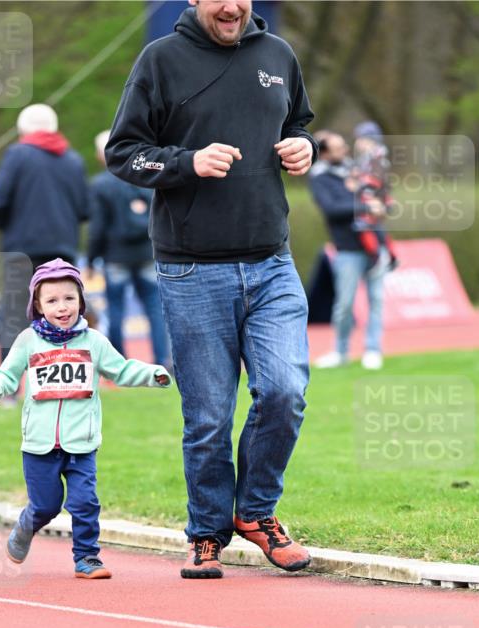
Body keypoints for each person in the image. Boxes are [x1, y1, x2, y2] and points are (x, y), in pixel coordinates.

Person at [106, 0, 317, 579]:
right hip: (192, 270)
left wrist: (305, 147)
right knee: (208, 419)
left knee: (284, 393)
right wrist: (187, 162)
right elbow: (122, 154)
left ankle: (256, 512)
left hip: (272, 262)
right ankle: (205, 532)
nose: (232, 7)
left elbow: (298, 125)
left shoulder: (278, 54)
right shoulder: (160, 60)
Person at [0, 259, 171, 579]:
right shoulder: (28, 341)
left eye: (69, 298)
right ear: (38, 306)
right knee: (46, 506)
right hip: (39, 445)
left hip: (81, 443)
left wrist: (153, 374)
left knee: (85, 502)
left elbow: (121, 369)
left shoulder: (93, 342)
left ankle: (87, 557)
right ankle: (25, 527)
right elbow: (7, 372)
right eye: (52, 300)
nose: (62, 307)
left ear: (81, 301)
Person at [0, 104, 90, 388]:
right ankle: (60, 382)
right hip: (62, 248)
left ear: (23, 129)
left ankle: (9, 387)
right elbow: (85, 208)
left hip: (21, 247)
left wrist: (8, 227)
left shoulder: (17, 154)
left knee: (14, 313)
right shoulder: (73, 159)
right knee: (62, 312)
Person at [87, 130, 171, 369]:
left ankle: (118, 364)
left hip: (116, 255)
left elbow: (97, 227)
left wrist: (92, 259)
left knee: (116, 309)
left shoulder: (100, 184)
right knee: (155, 308)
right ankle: (162, 360)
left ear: (101, 155)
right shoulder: (144, 177)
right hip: (147, 252)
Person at [309, 132, 387, 370]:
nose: (344, 150)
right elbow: (332, 209)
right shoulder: (320, 178)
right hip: (347, 249)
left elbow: (382, 197)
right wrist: (365, 206)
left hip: (375, 244)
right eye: (338, 147)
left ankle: (373, 350)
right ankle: (341, 352)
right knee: (344, 304)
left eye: (344, 145)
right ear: (324, 153)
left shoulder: (357, 171)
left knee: (376, 300)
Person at [350, 122, 398, 275]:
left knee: (363, 224)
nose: (357, 143)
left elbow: (374, 180)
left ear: (370, 141)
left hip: (374, 198)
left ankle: (376, 256)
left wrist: (367, 195)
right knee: (375, 226)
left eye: (361, 139)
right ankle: (390, 255)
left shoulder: (375, 157)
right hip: (378, 197)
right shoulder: (370, 158)